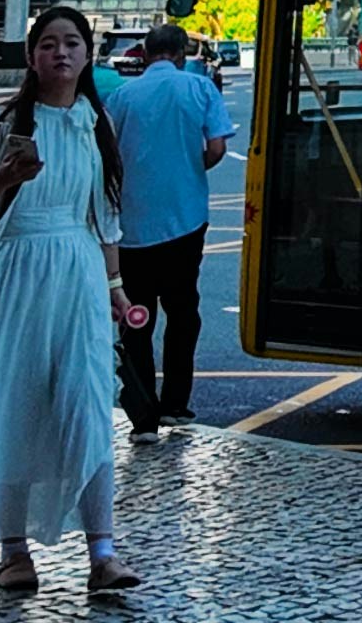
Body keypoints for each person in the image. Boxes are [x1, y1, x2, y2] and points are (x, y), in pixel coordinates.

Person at [0, 3, 144, 594]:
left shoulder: (94, 125)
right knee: (12, 407)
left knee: (86, 406)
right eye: (49, 44)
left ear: (88, 55)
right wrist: (3, 178)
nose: (61, 53)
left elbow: (105, 219)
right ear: (32, 57)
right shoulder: (6, 122)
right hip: (14, 276)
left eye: (73, 44)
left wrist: (115, 289)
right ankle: (12, 552)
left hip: (78, 276)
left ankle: (103, 551)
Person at [107, 22, 232, 437]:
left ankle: (143, 414)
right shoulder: (200, 89)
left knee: (136, 316)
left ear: (144, 54)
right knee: (183, 312)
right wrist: (191, 168)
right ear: (182, 53)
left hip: (132, 224)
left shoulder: (122, 97)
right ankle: (176, 404)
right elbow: (216, 148)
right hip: (185, 218)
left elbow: (107, 156)